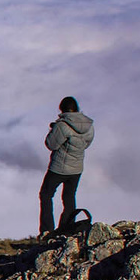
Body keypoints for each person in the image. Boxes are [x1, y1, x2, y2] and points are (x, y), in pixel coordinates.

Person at [40, 96, 94, 236]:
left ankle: (47, 230)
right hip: (76, 169)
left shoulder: (62, 126)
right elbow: (86, 144)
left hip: (58, 168)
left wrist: (53, 130)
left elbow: (51, 144)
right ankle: (67, 228)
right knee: (69, 197)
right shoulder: (89, 125)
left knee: (46, 195)